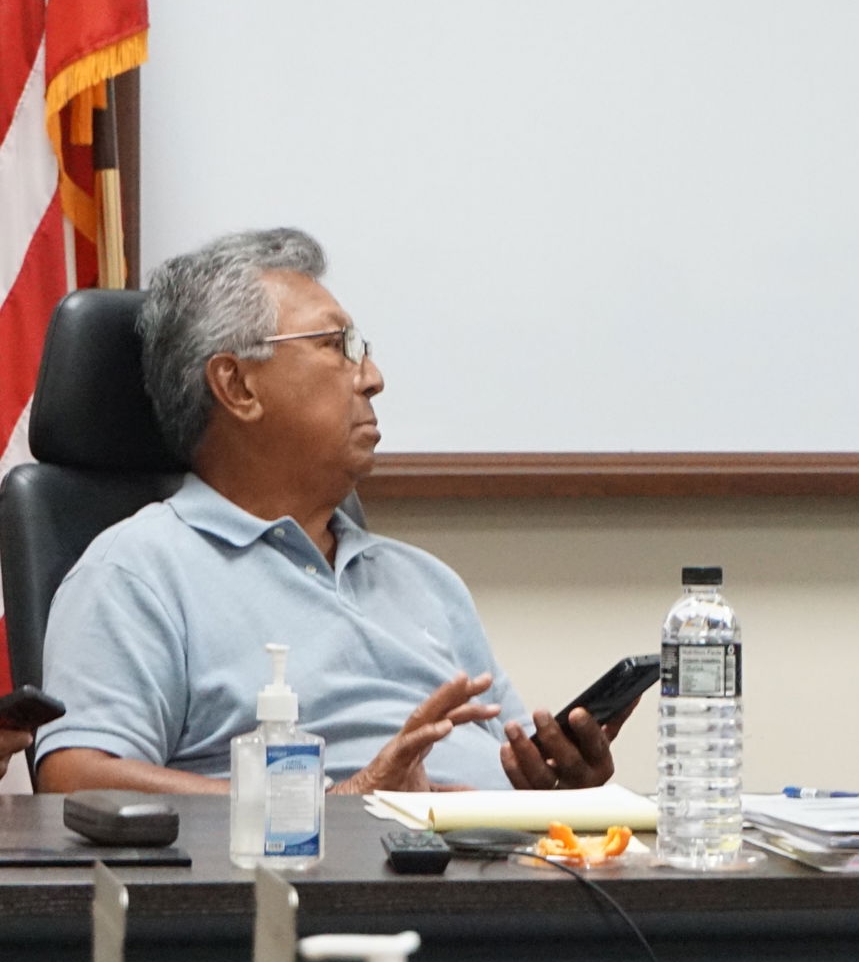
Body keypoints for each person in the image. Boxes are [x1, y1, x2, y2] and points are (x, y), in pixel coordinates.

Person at [35, 228, 630, 794]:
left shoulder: (424, 581)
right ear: (237, 386)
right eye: (337, 347)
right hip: (319, 890)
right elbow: (76, 780)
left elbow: (506, 764)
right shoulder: (138, 569)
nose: (372, 378)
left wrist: (551, 785)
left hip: (497, 875)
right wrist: (336, 808)